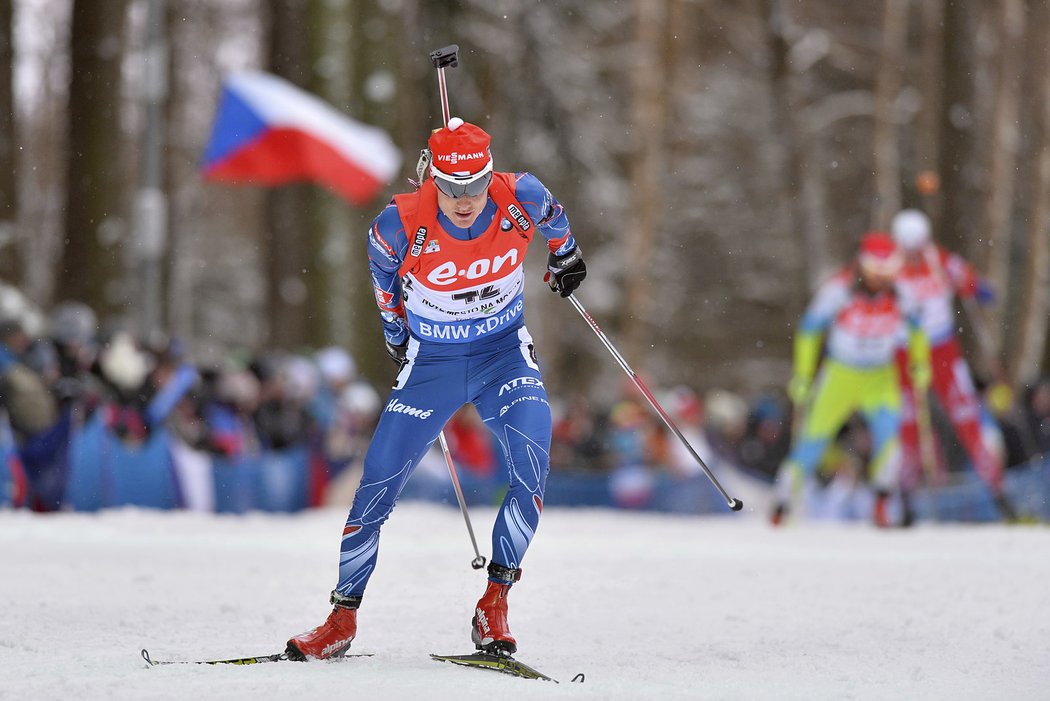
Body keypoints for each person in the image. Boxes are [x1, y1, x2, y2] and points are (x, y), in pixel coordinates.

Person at [285, 117, 586, 660]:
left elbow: (555, 219)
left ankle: (494, 602)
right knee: (375, 484)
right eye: (451, 189)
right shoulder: (395, 226)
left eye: (474, 187)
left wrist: (566, 257)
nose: (465, 200)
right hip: (433, 365)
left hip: (503, 358)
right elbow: (384, 294)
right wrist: (401, 341)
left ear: (489, 176)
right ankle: (341, 619)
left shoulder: (521, 195)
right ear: (432, 180)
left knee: (531, 468)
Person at [770, 232, 930, 527]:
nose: (880, 280)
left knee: (890, 439)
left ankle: (882, 500)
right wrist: (803, 375)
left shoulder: (902, 292)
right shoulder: (838, 290)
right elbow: (809, 331)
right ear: (862, 266)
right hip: (840, 375)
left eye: (887, 273)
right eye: (874, 273)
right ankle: (782, 502)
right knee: (813, 440)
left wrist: (921, 364)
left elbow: (918, 329)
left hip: (880, 377)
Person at [890, 209, 1015, 519]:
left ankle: (997, 489)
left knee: (966, 414)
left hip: (943, 350)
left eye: (917, 247)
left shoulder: (939, 260)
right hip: (907, 354)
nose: (914, 255)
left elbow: (968, 279)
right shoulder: (891, 268)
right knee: (909, 423)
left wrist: (981, 289)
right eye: (908, 249)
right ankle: (905, 495)